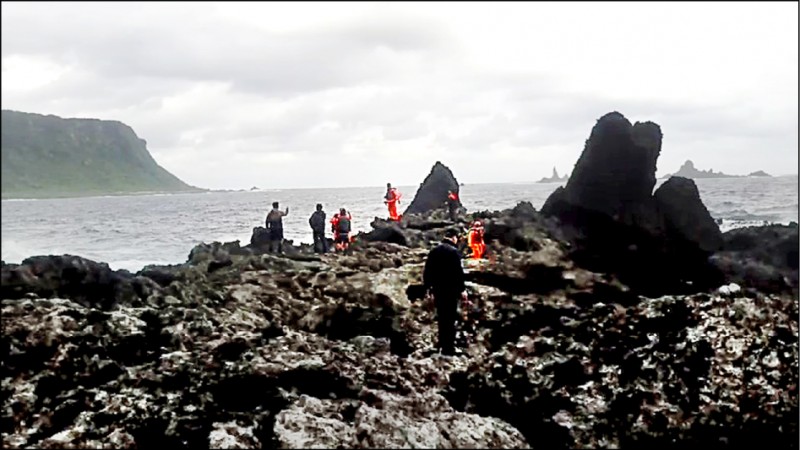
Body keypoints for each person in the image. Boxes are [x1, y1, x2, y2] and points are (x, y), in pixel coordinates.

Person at [423, 228, 466, 356]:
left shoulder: (434, 251)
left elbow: (428, 271)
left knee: (442, 319)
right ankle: (449, 348)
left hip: (438, 290)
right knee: (450, 319)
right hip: (451, 290)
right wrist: (462, 290)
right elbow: (458, 273)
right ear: (454, 238)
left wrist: (428, 288)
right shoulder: (454, 252)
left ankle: (441, 345)